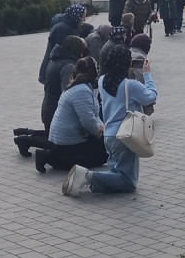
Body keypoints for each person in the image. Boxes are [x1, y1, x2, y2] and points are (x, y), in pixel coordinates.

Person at [63, 44, 158, 196]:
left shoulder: (101, 80)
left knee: (116, 172)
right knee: (128, 182)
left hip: (108, 135)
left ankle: (90, 182)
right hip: (126, 136)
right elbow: (151, 97)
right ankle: (87, 175)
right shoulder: (131, 85)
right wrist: (147, 75)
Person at [34, 57, 109, 173]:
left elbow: (93, 115)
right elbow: (88, 121)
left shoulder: (76, 86)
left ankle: (54, 155)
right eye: (96, 68)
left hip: (64, 139)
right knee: (102, 155)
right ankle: (49, 157)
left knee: (103, 144)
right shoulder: (82, 91)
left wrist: (101, 126)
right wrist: (98, 131)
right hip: (68, 142)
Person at [39, 4, 85, 84]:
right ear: (76, 16)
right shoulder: (62, 29)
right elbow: (60, 51)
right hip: (55, 70)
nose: (83, 20)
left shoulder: (71, 26)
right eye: (82, 17)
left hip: (61, 68)